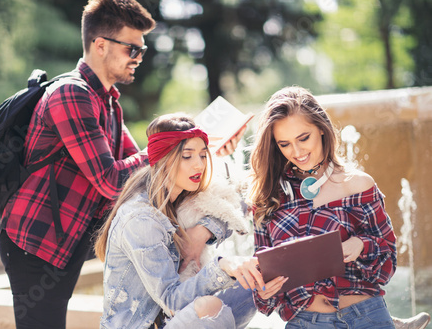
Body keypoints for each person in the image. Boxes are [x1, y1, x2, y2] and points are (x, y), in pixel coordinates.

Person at [0, 0, 156, 328]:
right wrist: (165, 147)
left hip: (67, 240)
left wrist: (195, 147)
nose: (139, 59)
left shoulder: (108, 102)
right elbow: (112, 180)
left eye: (142, 50)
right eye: (133, 49)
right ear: (100, 45)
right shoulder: (73, 94)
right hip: (35, 244)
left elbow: (140, 169)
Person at [95, 113, 289, 329]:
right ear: (164, 158)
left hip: (173, 321)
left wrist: (204, 230)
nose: (199, 165)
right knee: (210, 304)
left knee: (260, 277)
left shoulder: (182, 193)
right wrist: (223, 266)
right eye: (187, 156)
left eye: (203, 155)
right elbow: (172, 302)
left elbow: (240, 204)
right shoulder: (141, 219)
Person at [248, 86, 398, 328]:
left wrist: (360, 244)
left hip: (366, 315)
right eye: (284, 144)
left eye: (303, 138)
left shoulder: (358, 184)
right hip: (306, 321)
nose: (296, 152)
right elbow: (262, 275)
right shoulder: (268, 197)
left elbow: (388, 258)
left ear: (321, 129)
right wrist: (264, 290)